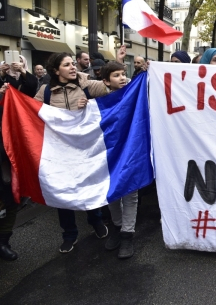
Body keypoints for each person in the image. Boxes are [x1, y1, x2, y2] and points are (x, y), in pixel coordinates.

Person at [34, 47, 127, 253]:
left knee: (88, 184)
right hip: (60, 152)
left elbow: (115, 92)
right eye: (66, 65)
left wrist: (119, 67)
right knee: (62, 192)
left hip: (86, 149)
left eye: (73, 64)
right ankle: (69, 234)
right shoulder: (46, 92)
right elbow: (31, 113)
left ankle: (95, 221)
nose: (72, 67)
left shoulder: (86, 85)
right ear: (56, 70)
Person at [0, 56, 38, 261]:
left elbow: (31, 92)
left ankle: (4, 241)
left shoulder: (19, 83)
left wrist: (23, 72)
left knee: (11, 193)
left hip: (11, 148)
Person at [101, 61, 138, 259]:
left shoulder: (136, 94)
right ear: (106, 81)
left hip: (132, 151)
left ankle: (127, 235)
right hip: (111, 154)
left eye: (123, 74)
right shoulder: (99, 101)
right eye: (116, 75)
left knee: (130, 194)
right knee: (113, 193)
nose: (122, 78)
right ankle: (117, 227)